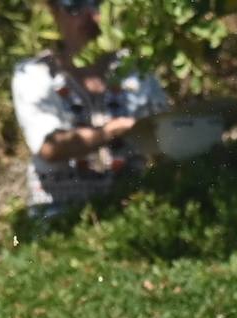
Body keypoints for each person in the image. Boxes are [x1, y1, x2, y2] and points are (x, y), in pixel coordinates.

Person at [11, 0, 168, 217]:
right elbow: (50, 147)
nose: (87, 14)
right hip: (58, 219)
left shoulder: (136, 69)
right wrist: (113, 130)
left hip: (131, 213)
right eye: (73, 4)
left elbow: (165, 141)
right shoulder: (34, 74)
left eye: (96, 3)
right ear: (55, 12)